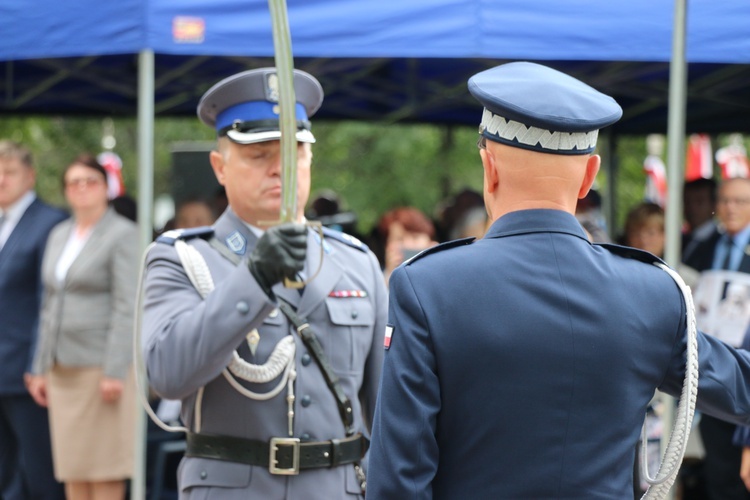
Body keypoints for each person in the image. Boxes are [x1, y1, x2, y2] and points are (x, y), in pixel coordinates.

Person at [367, 61, 750, 499]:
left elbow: (397, 479)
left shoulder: (428, 286)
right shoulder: (653, 292)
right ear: (589, 176)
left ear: (489, 167)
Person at [140, 67, 387, 499]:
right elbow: (168, 373)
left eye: (294, 153)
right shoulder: (181, 258)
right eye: (259, 156)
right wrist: (254, 278)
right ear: (220, 167)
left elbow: (388, 410)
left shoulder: (357, 262)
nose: (280, 170)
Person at [27, 153, 138, 500]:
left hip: (100, 367)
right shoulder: (59, 234)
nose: (82, 189)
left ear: (107, 188)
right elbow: (49, 304)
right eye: (74, 182)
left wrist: (115, 370)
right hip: (63, 369)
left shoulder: (123, 234)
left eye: (91, 181)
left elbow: (127, 305)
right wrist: (39, 366)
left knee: (104, 468)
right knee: (73, 468)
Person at [0, 140, 66, 499]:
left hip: (30, 373)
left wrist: (38, 364)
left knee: (39, 473)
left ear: (30, 176)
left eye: (9, 172)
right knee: (5, 473)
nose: (1, 179)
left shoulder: (50, 223)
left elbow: (49, 302)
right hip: (1, 371)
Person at [685, 177, 750, 499]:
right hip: (710, 366)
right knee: (718, 469)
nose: (730, 208)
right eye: (724, 201)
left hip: (745, 368)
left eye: (740, 201)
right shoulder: (702, 246)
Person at [376, 206, 438, 285]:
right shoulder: (376, 280)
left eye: (415, 237)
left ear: (430, 241)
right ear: (387, 246)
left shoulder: (443, 268)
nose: (407, 245)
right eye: (399, 239)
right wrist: (389, 277)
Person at [682, 177, 719, 263]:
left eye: (699, 202)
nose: (692, 207)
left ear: (714, 205)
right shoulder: (681, 240)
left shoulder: (719, 244)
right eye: (687, 201)